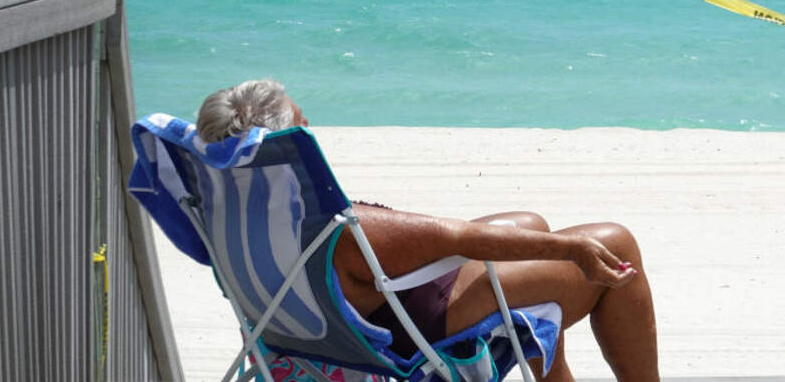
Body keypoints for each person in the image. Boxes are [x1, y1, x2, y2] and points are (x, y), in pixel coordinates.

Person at [197, 79, 660, 382]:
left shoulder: (228, 215)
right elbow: (458, 238)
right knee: (614, 242)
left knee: (529, 225)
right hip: (408, 325)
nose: (311, 129)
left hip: (322, 327)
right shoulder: (335, 229)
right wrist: (573, 250)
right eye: (302, 126)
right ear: (283, 151)